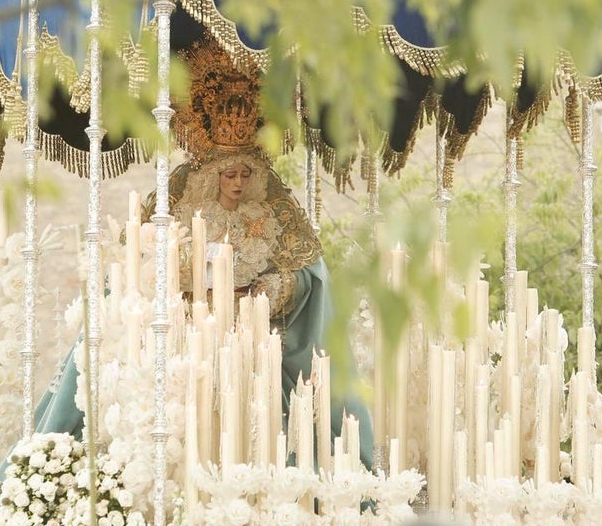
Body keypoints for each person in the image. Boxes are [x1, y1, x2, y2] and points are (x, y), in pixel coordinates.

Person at [31, 145, 374, 468]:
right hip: (191, 333)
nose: (238, 183)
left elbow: (303, 276)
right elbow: (151, 269)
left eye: (244, 175)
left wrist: (269, 289)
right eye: (229, 175)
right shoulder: (188, 214)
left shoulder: (266, 217)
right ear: (214, 177)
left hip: (247, 335)